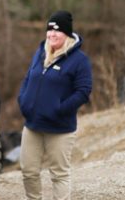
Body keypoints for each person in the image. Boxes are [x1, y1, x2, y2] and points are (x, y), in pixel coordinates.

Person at [18, 10, 92, 200]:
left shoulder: (79, 60)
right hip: (33, 125)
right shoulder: (41, 52)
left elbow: (83, 91)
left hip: (60, 128)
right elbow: (29, 78)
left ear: (66, 34)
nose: (51, 35)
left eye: (57, 31)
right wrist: (23, 100)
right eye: (49, 30)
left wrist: (59, 109)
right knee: (28, 172)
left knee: (59, 175)